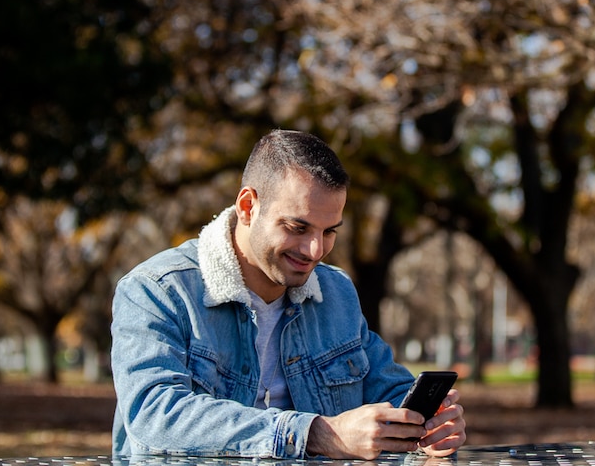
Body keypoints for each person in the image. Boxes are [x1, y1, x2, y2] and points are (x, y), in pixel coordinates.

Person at [111, 129, 466, 459]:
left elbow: (387, 389)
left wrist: (429, 423)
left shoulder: (336, 292)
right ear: (248, 207)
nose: (314, 250)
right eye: (298, 227)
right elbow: (154, 415)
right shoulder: (156, 290)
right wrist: (316, 433)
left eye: (329, 232)